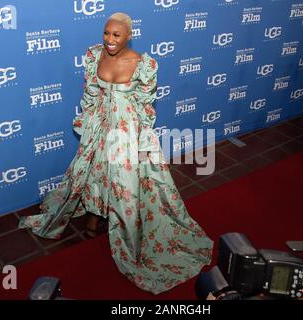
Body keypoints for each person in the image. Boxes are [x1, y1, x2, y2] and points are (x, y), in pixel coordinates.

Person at [19, 12, 213, 295]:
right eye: (106, 33)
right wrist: (87, 121)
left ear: (129, 35)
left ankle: (128, 237)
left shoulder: (142, 64)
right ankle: (95, 216)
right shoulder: (94, 55)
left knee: (123, 183)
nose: (110, 40)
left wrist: (141, 136)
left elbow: (145, 104)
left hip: (125, 129)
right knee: (92, 172)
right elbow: (90, 93)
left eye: (116, 35)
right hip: (99, 125)